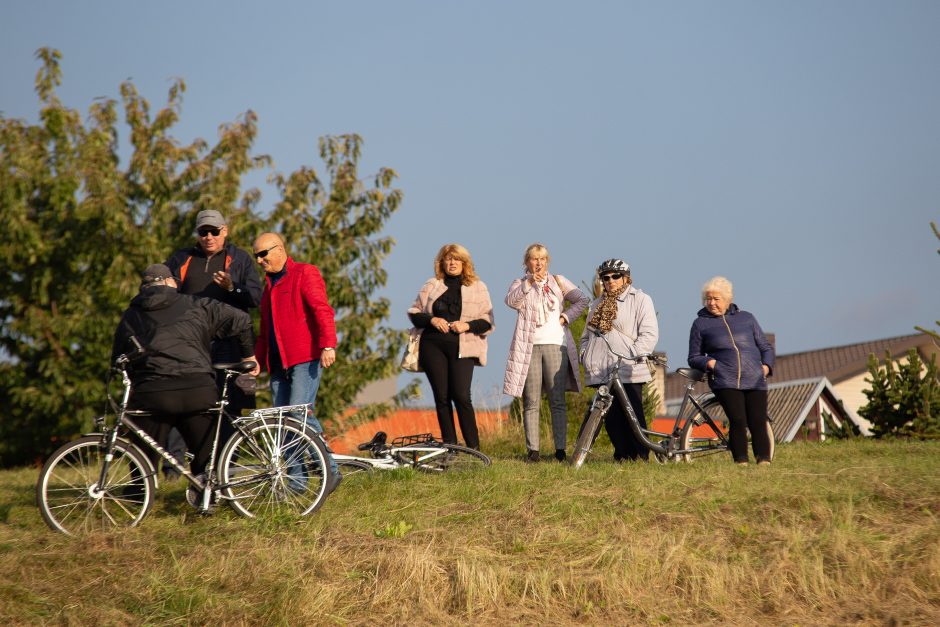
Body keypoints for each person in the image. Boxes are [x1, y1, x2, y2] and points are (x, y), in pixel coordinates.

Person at [111, 264, 257, 481]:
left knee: (144, 445)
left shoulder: (131, 315)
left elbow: (118, 360)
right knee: (206, 455)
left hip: (154, 392)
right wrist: (248, 356)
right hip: (197, 388)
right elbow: (242, 320)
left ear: (144, 287)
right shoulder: (195, 304)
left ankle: (139, 491)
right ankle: (207, 489)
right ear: (170, 282)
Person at [162, 209, 263, 478]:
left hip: (233, 345)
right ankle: (174, 472)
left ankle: (225, 470)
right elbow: (162, 293)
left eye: (214, 232)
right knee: (181, 403)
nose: (208, 237)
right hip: (189, 345)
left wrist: (232, 287)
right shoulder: (181, 258)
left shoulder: (240, 258)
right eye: (203, 232)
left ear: (225, 231)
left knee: (232, 408)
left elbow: (255, 298)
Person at [252, 232, 341, 492]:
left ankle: (330, 471)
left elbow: (322, 309)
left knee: (298, 414)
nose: (260, 260)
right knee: (282, 423)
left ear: (279, 249)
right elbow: (265, 330)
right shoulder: (268, 288)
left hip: (304, 358)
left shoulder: (305, 272)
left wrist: (328, 344)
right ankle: (297, 482)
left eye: (263, 254)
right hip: (278, 365)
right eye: (256, 255)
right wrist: (258, 361)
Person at [503, 243, 589, 463]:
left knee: (557, 399)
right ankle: (533, 451)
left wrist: (566, 317)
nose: (538, 263)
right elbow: (511, 302)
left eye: (542, 259)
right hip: (528, 347)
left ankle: (560, 450)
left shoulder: (559, 281)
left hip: (555, 343)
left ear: (547, 261)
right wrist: (529, 283)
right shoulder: (520, 283)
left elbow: (582, 300)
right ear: (527, 262)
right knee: (531, 400)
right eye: (534, 259)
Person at [407, 244, 494, 450]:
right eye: (448, 259)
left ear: (465, 263)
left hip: (463, 347)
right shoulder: (432, 284)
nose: (453, 263)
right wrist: (431, 320)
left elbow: (488, 321)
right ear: (442, 262)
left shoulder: (478, 286)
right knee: (442, 397)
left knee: (462, 395)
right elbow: (414, 312)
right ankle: (450, 447)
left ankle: (474, 450)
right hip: (432, 346)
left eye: (457, 259)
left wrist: (467, 325)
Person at [687, 276, 775, 466]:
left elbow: (766, 347)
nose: (711, 303)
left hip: (755, 377)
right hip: (724, 379)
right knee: (738, 419)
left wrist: (766, 367)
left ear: (727, 299)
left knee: (758, 420)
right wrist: (711, 363)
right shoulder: (700, 324)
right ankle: (741, 461)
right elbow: (694, 356)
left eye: (716, 299)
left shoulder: (747, 318)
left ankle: (764, 460)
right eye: (708, 299)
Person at [579, 259, 659, 462]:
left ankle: (640, 457)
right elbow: (585, 337)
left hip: (628, 367)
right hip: (601, 369)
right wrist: (585, 355)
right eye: (606, 277)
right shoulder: (597, 304)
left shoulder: (640, 299)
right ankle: (621, 455)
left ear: (626, 278)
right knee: (611, 419)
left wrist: (632, 354)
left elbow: (649, 334)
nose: (610, 281)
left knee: (632, 415)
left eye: (615, 276)